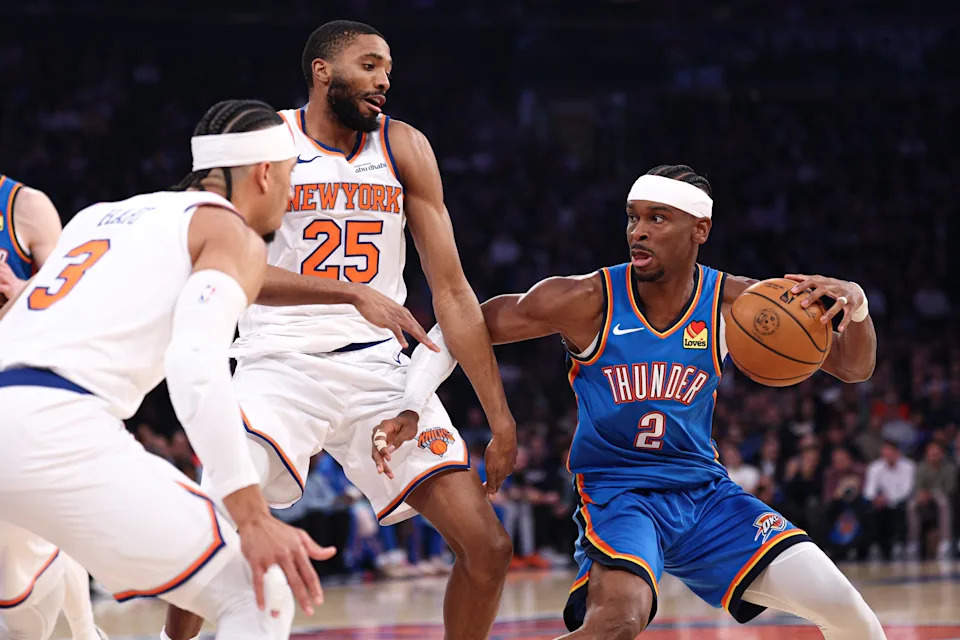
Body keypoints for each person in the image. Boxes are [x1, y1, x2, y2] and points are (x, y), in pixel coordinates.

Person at [377, 165, 886, 639]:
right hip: (620, 495)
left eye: (657, 219)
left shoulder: (741, 303)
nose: (638, 231)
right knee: (618, 621)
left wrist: (856, 303)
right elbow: (461, 323)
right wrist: (412, 403)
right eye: (633, 218)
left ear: (700, 230)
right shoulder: (585, 299)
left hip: (705, 494)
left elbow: (853, 367)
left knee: (844, 606)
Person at [162, 21, 516, 640]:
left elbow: (454, 292)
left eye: (388, 71)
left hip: (379, 370)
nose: (384, 81)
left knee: (488, 548)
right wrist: (351, 293)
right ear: (322, 72)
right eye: (369, 65)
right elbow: (226, 263)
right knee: (216, 517)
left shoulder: (403, 146)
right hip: (279, 360)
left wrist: (500, 416)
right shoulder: (267, 140)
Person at [0, 99, 336, 640]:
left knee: (24, 622)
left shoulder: (95, 217)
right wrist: (251, 516)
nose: (292, 195)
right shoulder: (230, 233)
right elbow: (194, 362)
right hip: (56, 428)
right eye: (291, 176)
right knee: (260, 589)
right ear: (264, 173)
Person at [0, 178, 105, 639]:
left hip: (25, 383)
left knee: (43, 526)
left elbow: (73, 301)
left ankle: (83, 631)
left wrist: (22, 289)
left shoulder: (23, 205)